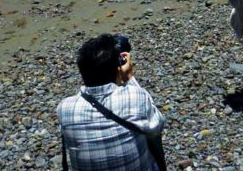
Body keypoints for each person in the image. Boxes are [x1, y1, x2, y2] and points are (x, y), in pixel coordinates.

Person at [57, 33, 165, 171]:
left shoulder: (64, 108)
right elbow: (158, 125)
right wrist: (129, 78)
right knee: (149, 130)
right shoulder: (136, 96)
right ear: (117, 68)